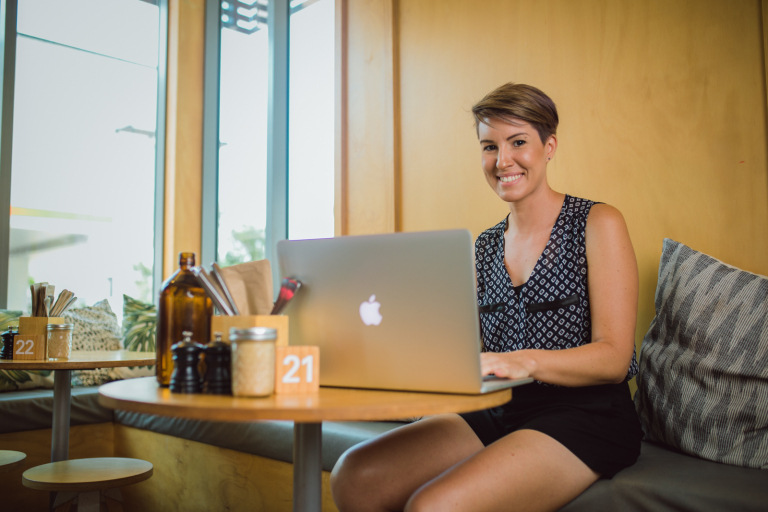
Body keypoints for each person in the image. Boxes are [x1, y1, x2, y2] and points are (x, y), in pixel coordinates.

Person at [330, 83, 643, 512]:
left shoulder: (596, 222)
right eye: (489, 146)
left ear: (549, 146)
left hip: (584, 414)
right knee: (355, 477)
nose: (502, 161)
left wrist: (523, 360)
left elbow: (614, 357)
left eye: (518, 142)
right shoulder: (485, 245)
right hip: (498, 405)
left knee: (434, 507)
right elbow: (472, 352)